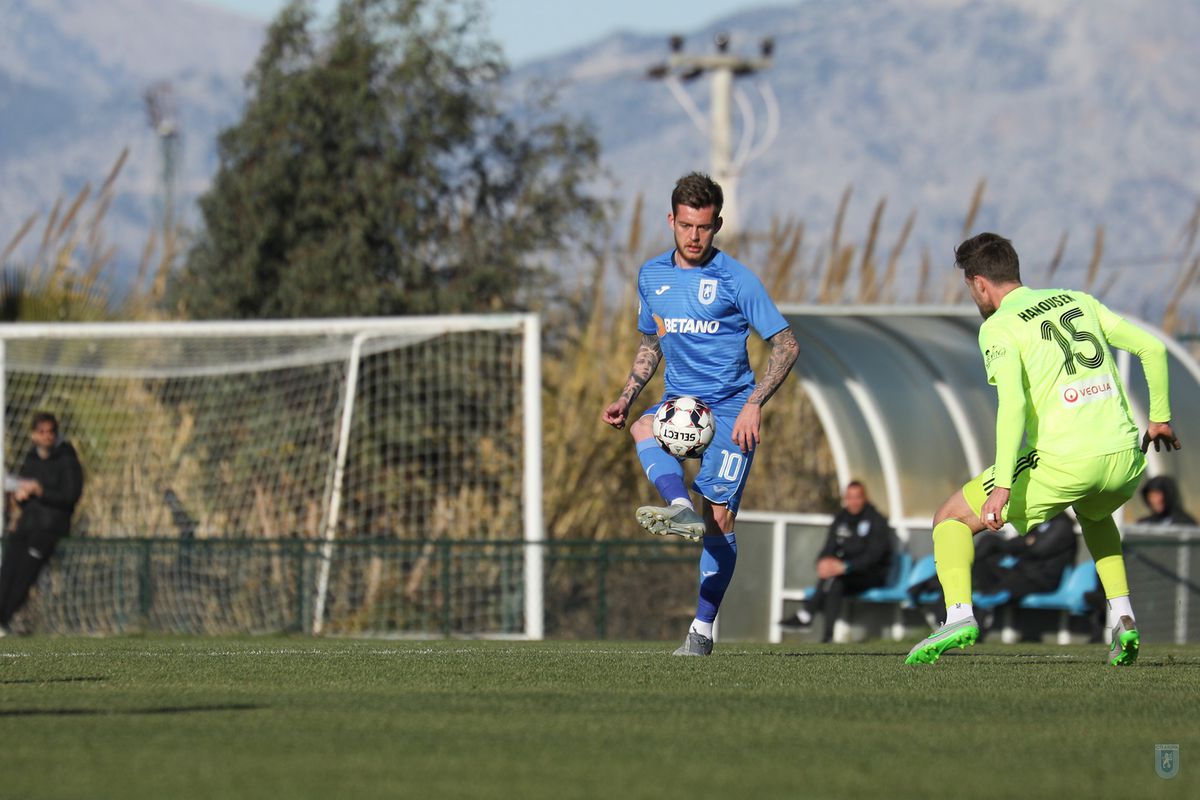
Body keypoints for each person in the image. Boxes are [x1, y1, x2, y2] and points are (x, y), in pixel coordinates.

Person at [906, 232, 1181, 666]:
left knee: (951, 519)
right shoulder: (1078, 300)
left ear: (979, 283)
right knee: (1094, 512)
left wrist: (1000, 486)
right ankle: (1123, 616)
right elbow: (1152, 346)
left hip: (1066, 462)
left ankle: (958, 615)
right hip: (1127, 459)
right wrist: (1160, 417)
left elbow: (1012, 406)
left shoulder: (999, 327)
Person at [601, 172, 800, 657]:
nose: (694, 236)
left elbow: (787, 345)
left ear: (718, 225)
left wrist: (754, 404)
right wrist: (628, 397)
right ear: (671, 220)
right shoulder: (651, 276)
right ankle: (678, 507)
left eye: (705, 227)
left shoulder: (736, 279)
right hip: (682, 404)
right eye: (686, 225)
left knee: (720, 520)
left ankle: (702, 630)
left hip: (733, 411)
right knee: (645, 425)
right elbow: (651, 343)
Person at [0, 412, 84, 636]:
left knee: (25, 575)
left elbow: (70, 496)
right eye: (42, 432)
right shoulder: (31, 459)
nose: (47, 436)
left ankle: (3, 621)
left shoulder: (67, 459)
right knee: (7, 572)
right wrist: (20, 497)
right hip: (26, 525)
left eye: (51, 432)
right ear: (33, 435)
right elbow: (26, 493)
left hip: (50, 528)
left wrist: (41, 491)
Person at [778, 481, 892, 642]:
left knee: (834, 579)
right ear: (845, 498)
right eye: (849, 497)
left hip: (871, 575)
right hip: (843, 576)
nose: (853, 502)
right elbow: (829, 547)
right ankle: (826, 636)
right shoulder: (841, 518)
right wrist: (822, 562)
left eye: (857, 497)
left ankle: (807, 616)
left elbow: (874, 556)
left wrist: (847, 566)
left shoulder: (877, 520)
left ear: (865, 498)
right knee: (835, 581)